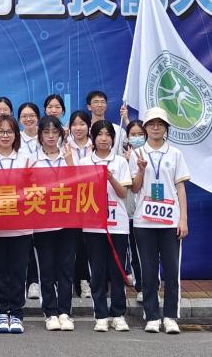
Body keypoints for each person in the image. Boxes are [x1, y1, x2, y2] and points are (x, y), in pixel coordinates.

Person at [130, 107, 189, 335]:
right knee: (148, 271)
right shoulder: (137, 153)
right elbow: (135, 188)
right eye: (152, 124)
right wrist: (141, 170)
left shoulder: (175, 154)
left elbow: (180, 188)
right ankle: (152, 316)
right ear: (145, 127)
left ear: (166, 128)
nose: (156, 128)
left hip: (169, 221)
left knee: (172, 270)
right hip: (144, 221)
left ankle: (171, 316)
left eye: (160, 124)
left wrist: (183, 219)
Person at [83, 120, 132, 333]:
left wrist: (110, 178)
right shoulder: (85, 162)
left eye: (108, 134)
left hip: (117, 224)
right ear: (93, 138)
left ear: (113, 138)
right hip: (93, 225)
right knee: (97, 270)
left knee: (117, 269)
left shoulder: (120, 162)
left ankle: (118, 314)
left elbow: (123, 193)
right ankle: (101, 314)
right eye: (99, 134)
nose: (104, 138)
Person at [29, 114, 77, 331]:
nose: (50, 136)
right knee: (46, 269)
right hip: (42, 223)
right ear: (40, 135)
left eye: (54, 132)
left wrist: (70, 164)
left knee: (66, 268)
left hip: (67, 222)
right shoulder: (32, 159)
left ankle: (65, 311)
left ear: (60, 134)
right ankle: (50, 312)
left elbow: (80, 186)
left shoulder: (70, 156)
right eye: (46, 132)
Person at [0, 115, 30, 335]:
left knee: (18, 271)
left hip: (21, 226)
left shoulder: (26, 158)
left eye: (10, 131)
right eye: (1, 131)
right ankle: (1, 312)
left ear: (16, 134)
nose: (5, 136)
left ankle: (16, 313)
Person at [66, 111, 93, 299]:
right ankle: (77, 280)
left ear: (88, 126)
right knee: (74, 243)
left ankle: (87, 280)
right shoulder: (64, 147)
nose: (78, 128)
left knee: (89, 243)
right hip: (71, 202)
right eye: (74, 124)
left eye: (82, 124)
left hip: (92, 200)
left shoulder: (97, 145)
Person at [16, 102, 41, 300]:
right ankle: (28, 280)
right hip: (19, 195)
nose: (28, 119)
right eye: (24, 116)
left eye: (31, 115)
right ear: (19, 119)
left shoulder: (47, 136)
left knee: (38, 240)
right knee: (24, 240)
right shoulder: (16, 139)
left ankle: (36, 281)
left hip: (42, 194)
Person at [121, 119, 147, 300]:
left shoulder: (153, 154)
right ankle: (141, 287)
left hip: (151, 210)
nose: (137, 138)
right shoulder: (124, 157)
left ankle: (152, 286)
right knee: (135, 251)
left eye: (140, 134)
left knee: (150, 253)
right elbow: (131, 186)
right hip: (132, 211)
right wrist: (128, 162)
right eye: (133, 135)